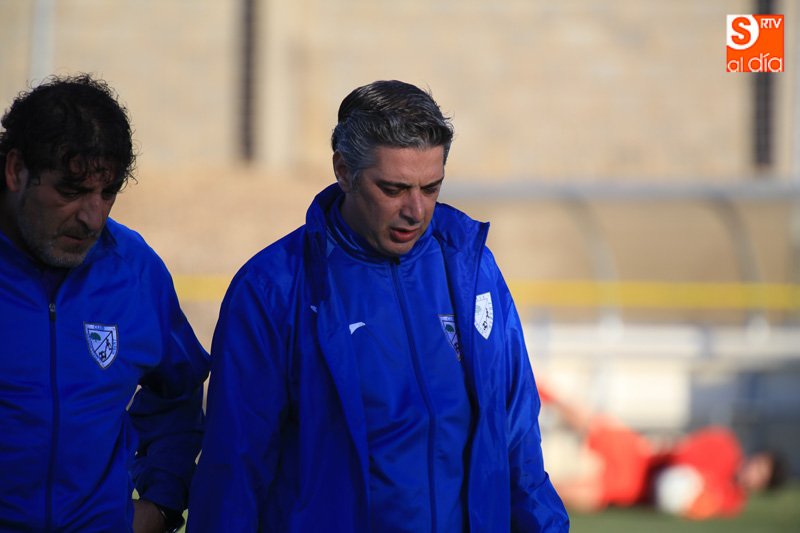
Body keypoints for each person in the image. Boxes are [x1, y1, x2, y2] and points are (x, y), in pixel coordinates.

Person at [188, 80, 569, 532]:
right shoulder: (273, 288)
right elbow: (234, 468)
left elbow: (517, 442)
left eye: (432, 188)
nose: (416, 210)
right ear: (344, 171)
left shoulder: (473, 273)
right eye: (393, 188)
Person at [0, 74, 210, 532]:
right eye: (71, 192)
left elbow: (179, 388)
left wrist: (162, 503)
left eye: (107, 192)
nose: (92, 216)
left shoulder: (135, 271)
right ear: (16, 170)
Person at [539, 384, 789, 519]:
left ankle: (512, 491)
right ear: (756, 456)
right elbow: (682, 455)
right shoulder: (725, 446)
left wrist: (691, 500)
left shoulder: (732, 503)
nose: (753, 474)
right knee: (587, 419)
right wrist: (698, 480)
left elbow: (690, 507)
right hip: (642, 455)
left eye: (760, 478)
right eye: (758, 466)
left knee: (570, 494)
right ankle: (531, 384)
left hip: (636, 488)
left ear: (761, 487)